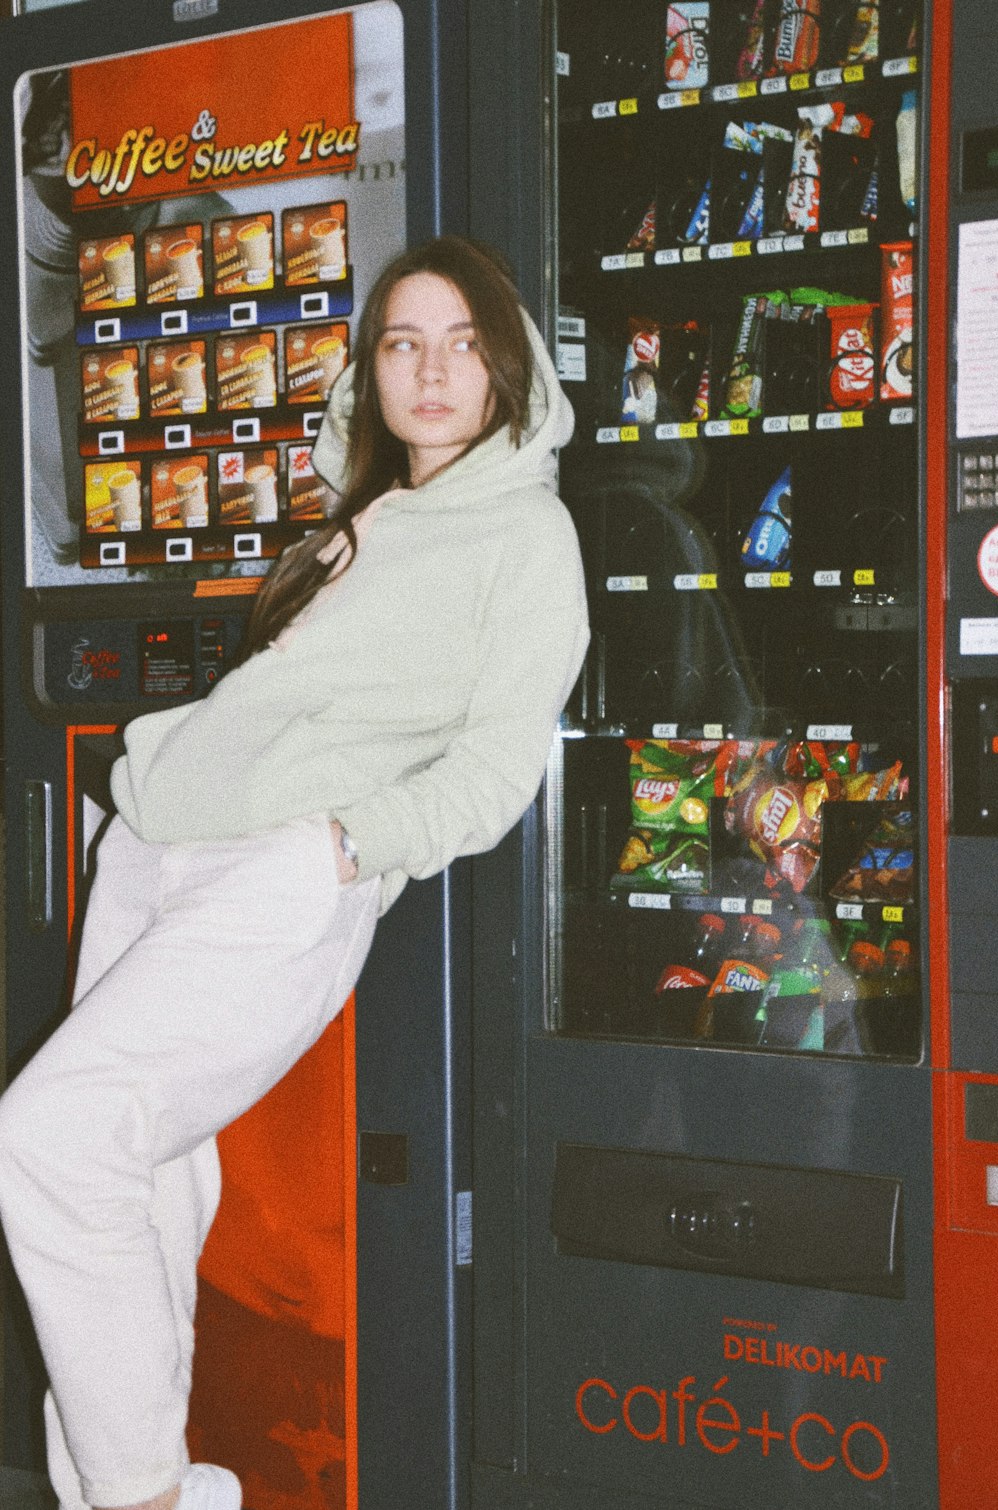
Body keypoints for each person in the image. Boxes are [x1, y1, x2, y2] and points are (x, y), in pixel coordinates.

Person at [0, 235, 589, 1510]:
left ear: (508, 366)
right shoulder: (369, 518)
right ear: (370, 371)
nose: (431, 371)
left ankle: (144, 1493)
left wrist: (342, 847)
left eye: (461, 343)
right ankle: (128, 1491)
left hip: (279, 871)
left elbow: (494, 776)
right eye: (401, 343)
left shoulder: (527, 536)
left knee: (49, 1136)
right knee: (147, 1183)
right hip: (154, 845)